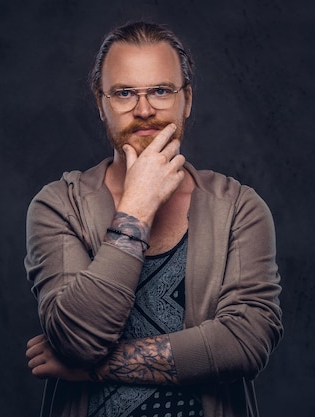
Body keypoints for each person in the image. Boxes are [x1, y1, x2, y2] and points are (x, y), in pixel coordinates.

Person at [24, 21, 283, 417]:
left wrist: (95, 370)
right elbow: (77, 341)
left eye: (161, 91)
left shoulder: (238, 208)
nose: (144, 109)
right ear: (101, 103)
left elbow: (245, 343)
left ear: (187, 100)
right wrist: (137, 208)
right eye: (124, 93)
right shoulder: (60, 205)